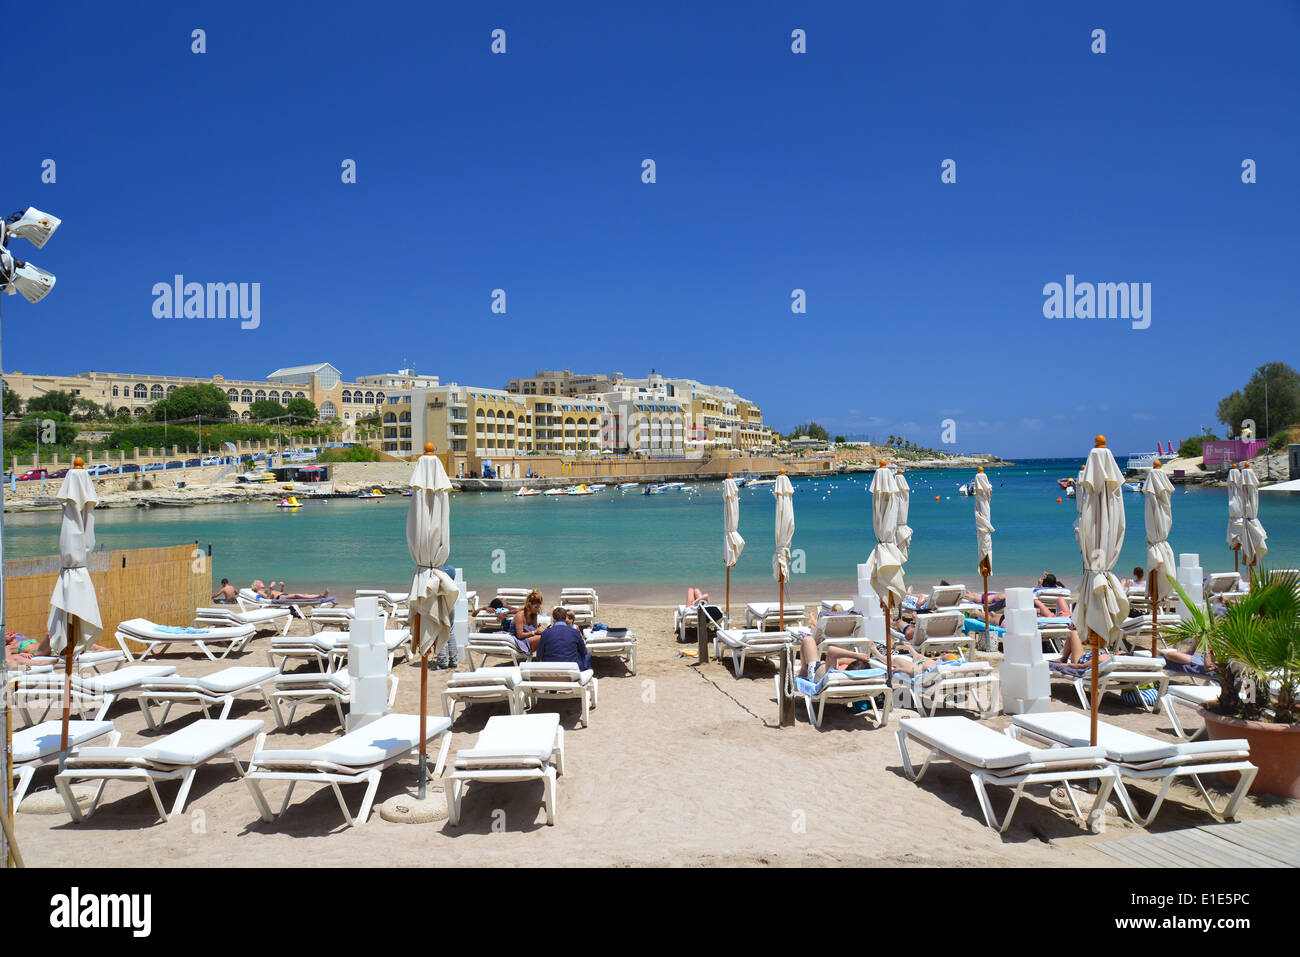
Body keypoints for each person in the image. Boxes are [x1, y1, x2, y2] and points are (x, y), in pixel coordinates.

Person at [510, 590, 545, 655]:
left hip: (527, 640)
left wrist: (541, 630)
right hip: (518, 641)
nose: (537, 609)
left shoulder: (534, 615)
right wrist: (535, 632)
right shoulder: (520, 615)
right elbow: (520, 635)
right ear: (529, 605)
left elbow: (535, 631)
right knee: (542, 638)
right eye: (536, 607)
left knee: (547, 634)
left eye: (538, 607)